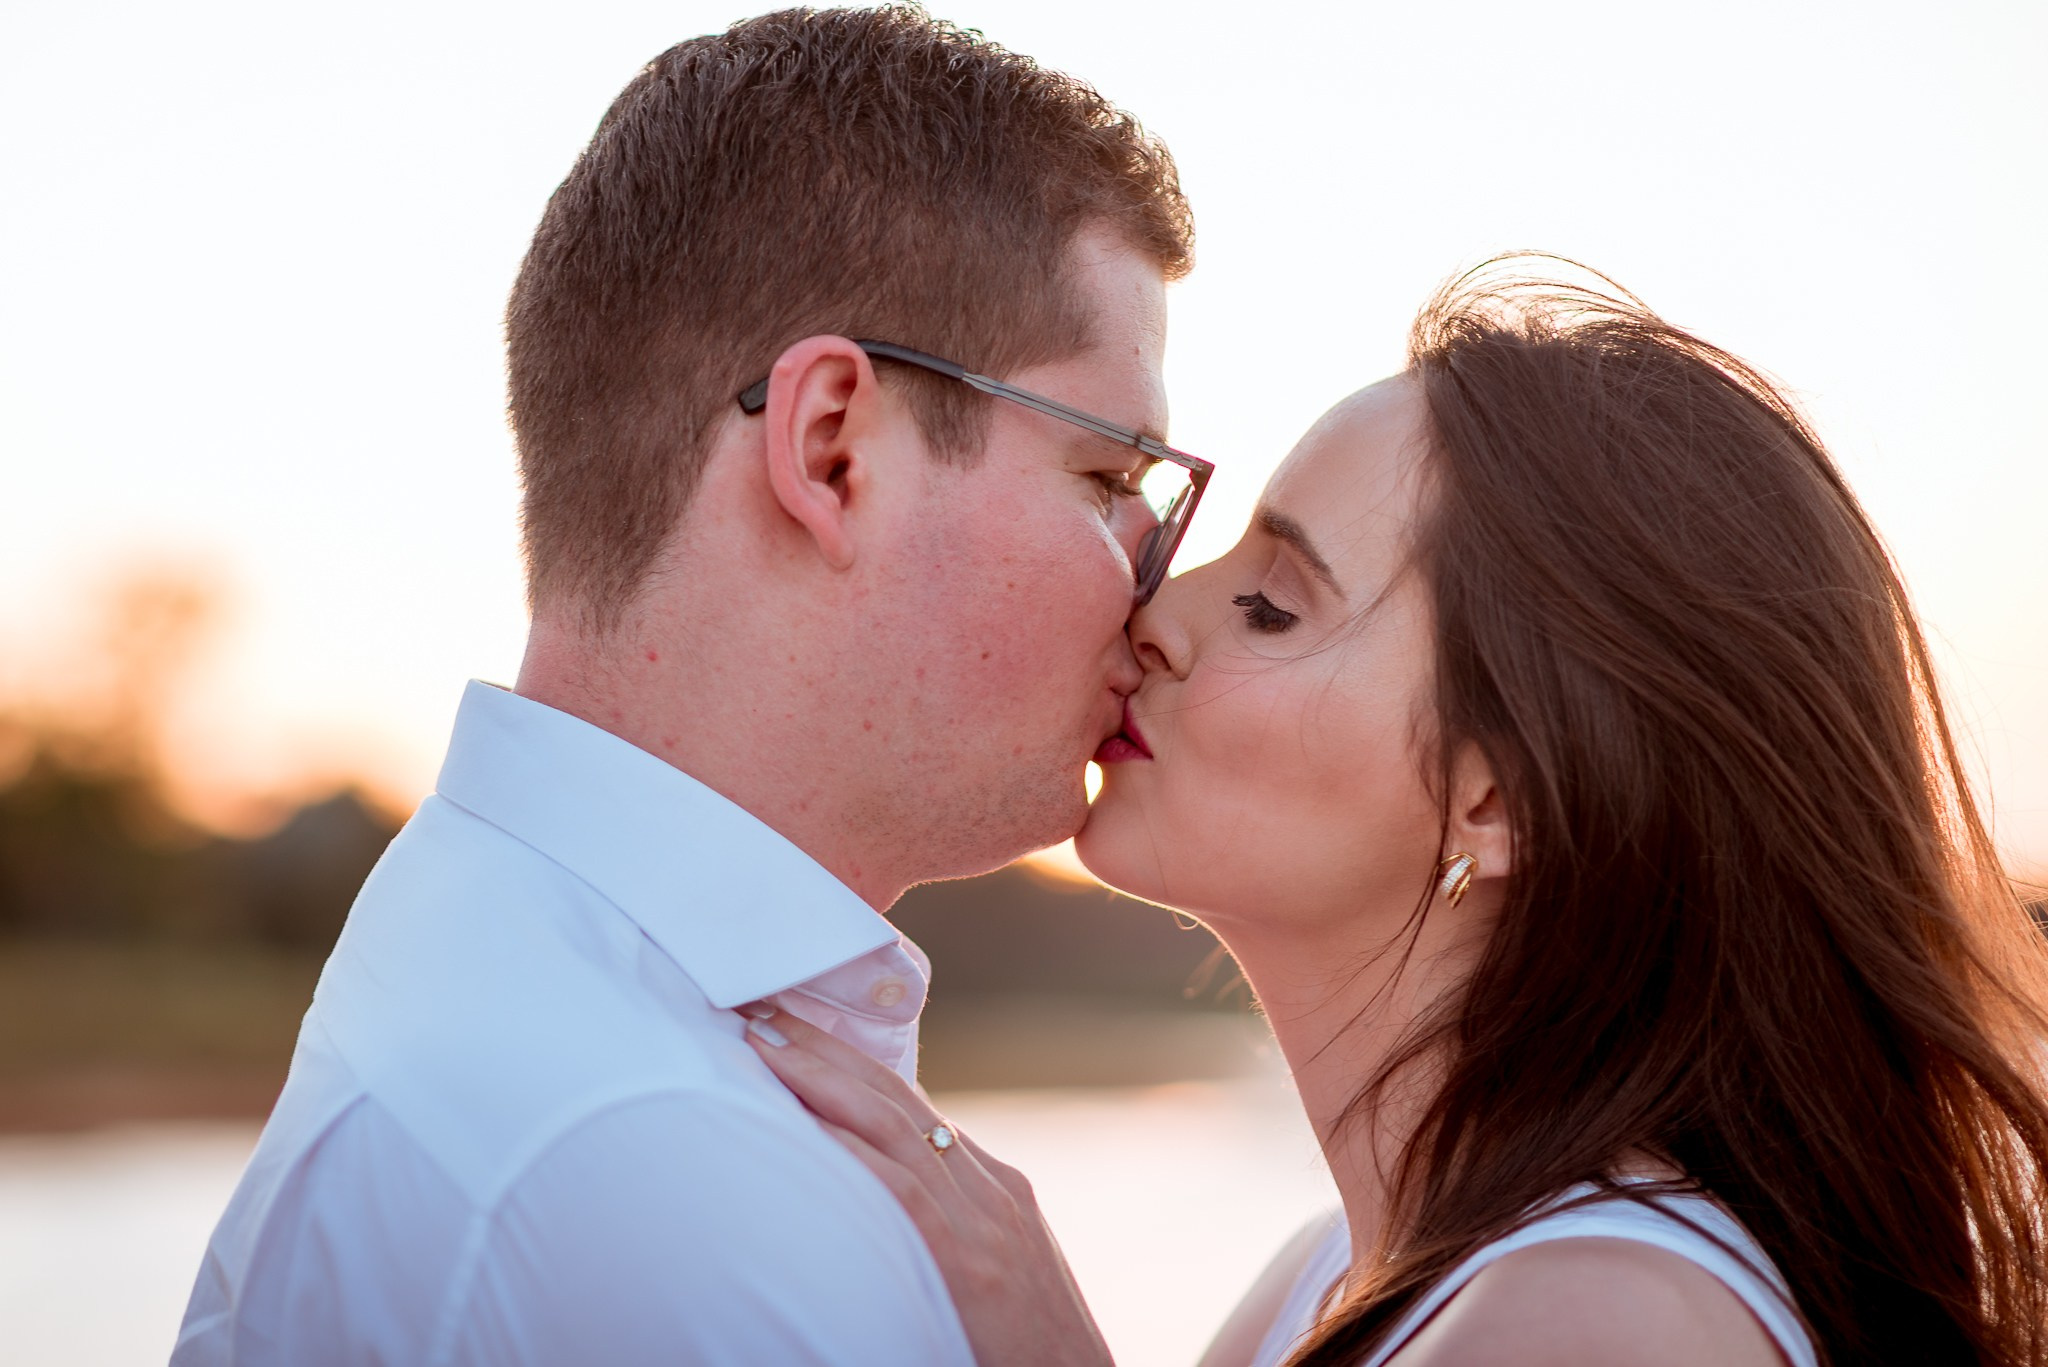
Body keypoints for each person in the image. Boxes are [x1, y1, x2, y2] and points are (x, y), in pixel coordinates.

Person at [749, 261, 2048, 1366]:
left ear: (1500, 800)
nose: (1158, 614)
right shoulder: (1328, 1280)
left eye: (1273, 604)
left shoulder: (1599, 1325)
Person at [172, 7, 1203, 1363]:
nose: (1159, 587)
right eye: (1113, 481)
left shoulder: (512, 978)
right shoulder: (662, 1181)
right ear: (833, 449)